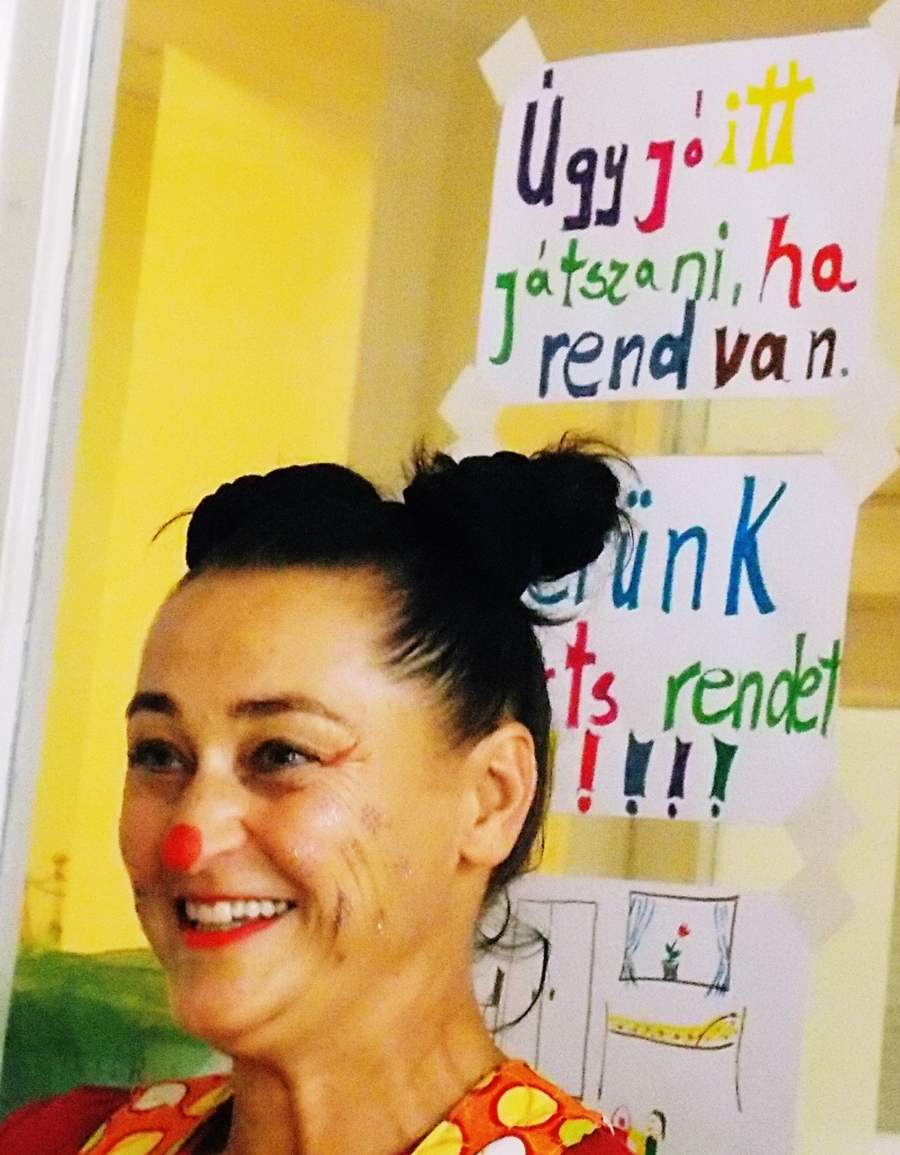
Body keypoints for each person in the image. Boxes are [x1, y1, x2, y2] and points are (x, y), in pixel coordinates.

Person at [1, 440, 632, 1155]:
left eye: (282, 754)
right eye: (159, 754)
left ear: (489, 799)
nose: (190, 835)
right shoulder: (52, 1141)